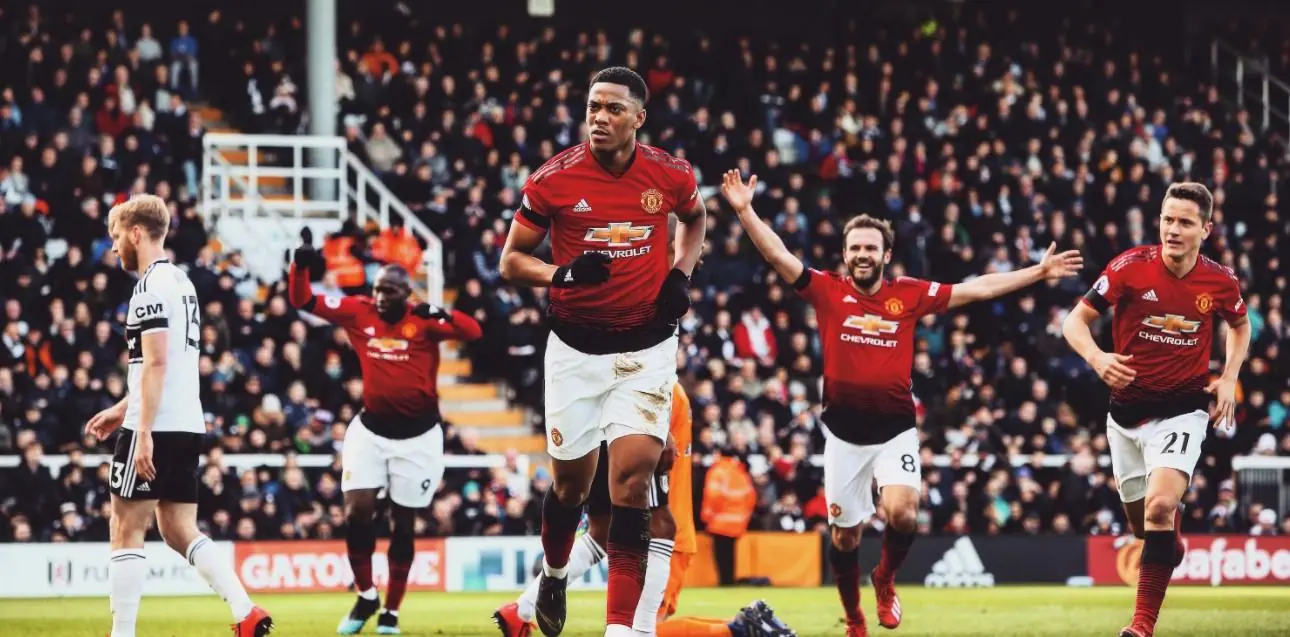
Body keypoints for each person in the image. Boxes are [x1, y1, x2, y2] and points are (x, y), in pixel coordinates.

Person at [719, 171, 1082, 637]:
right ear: (845, 254)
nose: (862, 254)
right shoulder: (828, 290)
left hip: (895, 431)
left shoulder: (907, 294)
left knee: (904, 511)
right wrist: (746, 210)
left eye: (871, 248)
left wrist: (1037, 272)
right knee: (844, 537)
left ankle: (885, 579)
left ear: (885, 255)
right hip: (844, 437)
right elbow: (778, 255)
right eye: (855, 247)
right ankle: (854, 619)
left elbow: (975, 288)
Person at [499, 65, 706, 637]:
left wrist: (681, 273)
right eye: (593, 106)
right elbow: (510, 261)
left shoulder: (670, 174)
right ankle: (554, 574)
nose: (600, 117)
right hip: (575, 350)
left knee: (633, 484)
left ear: (639, 118)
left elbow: (695, 218)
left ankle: (619, 630)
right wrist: (562, 273)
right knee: (570, 487)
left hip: (647, 349)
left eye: (614, 108)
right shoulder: (554, 179)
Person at [1062, 182, 1250, 637]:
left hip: (1183, 409)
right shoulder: (1129, 267)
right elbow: (1074, 321)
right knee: (1145, 529)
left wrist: (1228, 377)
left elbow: (1240, 325)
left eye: (1185, 222)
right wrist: (1097, 358)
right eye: (1168, 219)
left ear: (1206, 229)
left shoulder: (1220, 281)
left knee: (1161, 505)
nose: (1173, 230)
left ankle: (1141, 625)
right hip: (1125, 415)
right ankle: (1170, 540)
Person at [85, 194, 272, 637]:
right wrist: (121, 408)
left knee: (125, 527)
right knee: (177, 528)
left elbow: (156, 363)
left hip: (155, 425)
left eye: (117, 236)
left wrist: (141, 429)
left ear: (136, 233)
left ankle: (122, 633)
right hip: (188, 423)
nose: (114, 247)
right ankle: (245, 611)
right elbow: (166, 367)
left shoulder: (148, 289)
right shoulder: (182, 283)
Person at [287, 242, 482, 635]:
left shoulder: (423, 321)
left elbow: (473, 331)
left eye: (388, 291)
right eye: (376, 289)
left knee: (403, 526)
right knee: (356, 513)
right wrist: (300, 268)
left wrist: (440, 310)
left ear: (406, 294)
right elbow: (303, 300)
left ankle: (391, 610)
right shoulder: (359, 311)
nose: (379, 296)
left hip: (419, 439)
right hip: (370, 431)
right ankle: (365, 595)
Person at [495, 382, 695, 637]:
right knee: (660, 525)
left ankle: (521, 608)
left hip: (594, 414)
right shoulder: (662, 380)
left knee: (601, 531)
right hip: (633, 408)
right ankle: (642, 631)